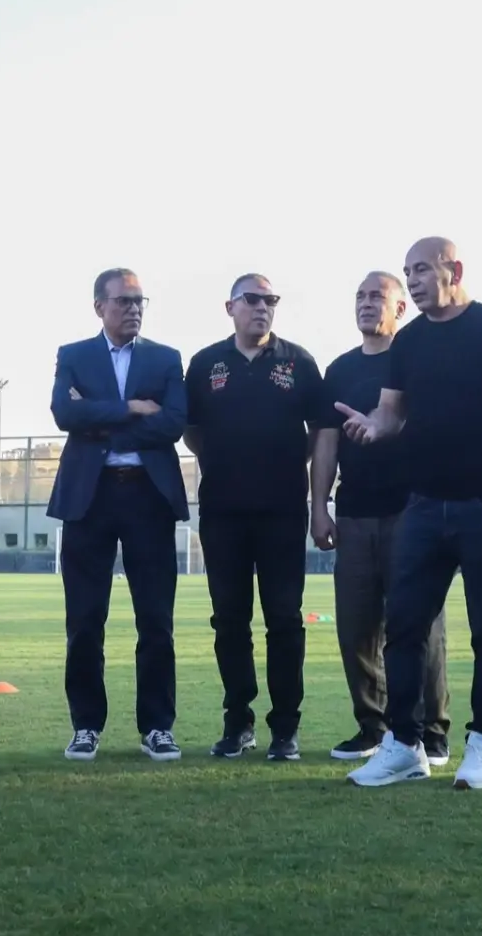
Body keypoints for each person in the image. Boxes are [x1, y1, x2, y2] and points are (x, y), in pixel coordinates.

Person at [336, 237, 482, 791]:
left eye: (423, 269)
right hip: (423, 505)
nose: (415, 279)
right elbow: (391, 412)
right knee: (404, 626)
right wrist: (374, 427)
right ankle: (404, 746)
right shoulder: (409, 342)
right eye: (409, 271)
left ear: (455, 269)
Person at [47, 267, 188, 762]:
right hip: (90, 498)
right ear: (99, 306)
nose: (133, 308)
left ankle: (157, 727)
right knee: (85, 620)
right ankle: (86, 725)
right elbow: (64, 414)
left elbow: (173, 423)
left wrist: (98, 416)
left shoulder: (166, 358)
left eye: (138, 301)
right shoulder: (74, 355)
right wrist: (132, 408)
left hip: (148, 497)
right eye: (123, 300)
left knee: (156, 620)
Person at [310, 271, 450, 766]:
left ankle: (431, 732)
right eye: (361, 296)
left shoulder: (417, 359)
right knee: (355, 628)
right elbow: (326, 443)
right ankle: (374, 726)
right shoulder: (340, 370)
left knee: (419, 625)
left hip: (412, 511)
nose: (367, 304)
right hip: (354, 515)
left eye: (377, 296)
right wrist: (319, 507)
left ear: (400, 309)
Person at [183, 274, 324, 761]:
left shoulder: (298, 362)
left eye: (270, 300)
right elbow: (191, 431)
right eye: (252, 299)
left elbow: (319, 431)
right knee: (229, 620)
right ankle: (237, 722)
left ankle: (285, 728)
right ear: (230, 307)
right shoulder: (206, 364)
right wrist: (223, 461)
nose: (263, 307)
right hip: (223, 512)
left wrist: (289, 465)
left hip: (283, 511)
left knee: (284, 618)